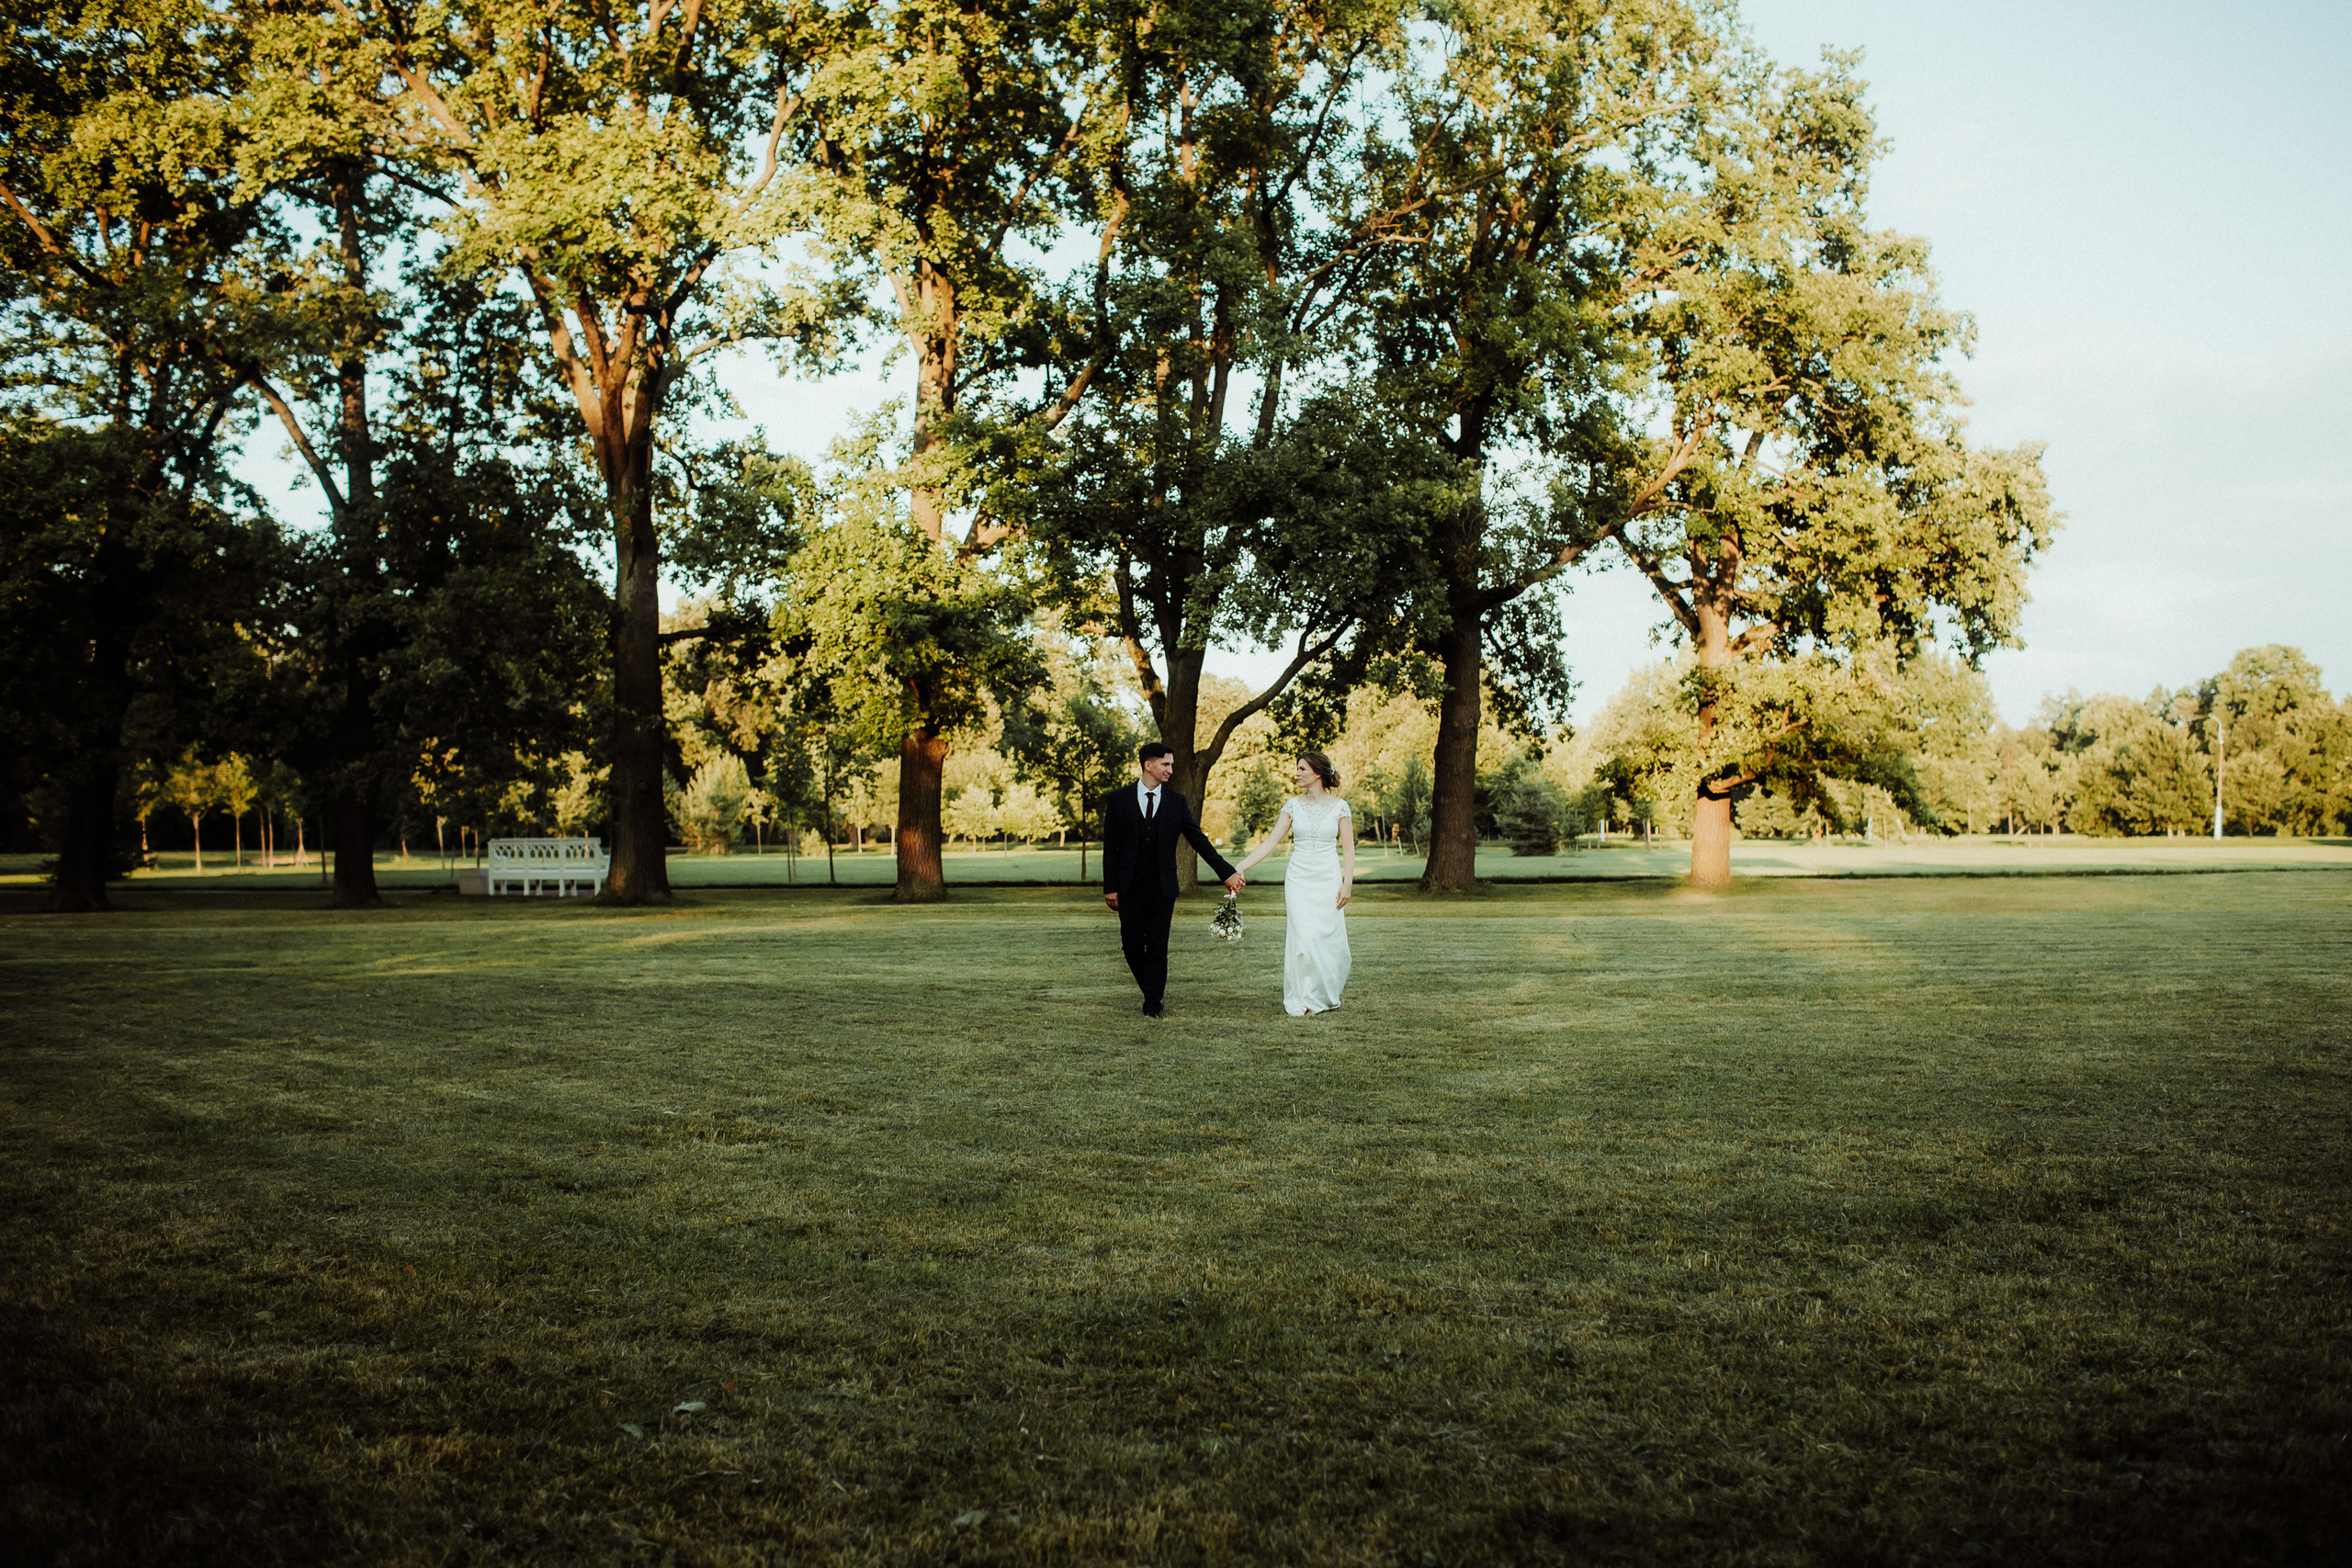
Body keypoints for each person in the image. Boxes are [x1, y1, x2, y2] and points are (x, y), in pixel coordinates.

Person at [1102, 742, 1245, 1019]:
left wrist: (1226, 872)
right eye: (1166, 764)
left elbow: (1198, 840)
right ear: (1149, 765)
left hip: (1162, 888)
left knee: (1157, 945)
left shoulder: (1176, 802)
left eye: (1171, 764)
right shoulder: (1119, 799)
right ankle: (1152, 991)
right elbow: (1111, 846)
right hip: (1129, 887)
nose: (1170, 769)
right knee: (1131, 945)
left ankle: (1152, 1004)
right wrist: (1111, 887)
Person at [1232, 751, 1354, 1015]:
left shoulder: (1340, 807)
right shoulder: (1291, 806)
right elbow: (1270, 842)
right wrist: (1240, 866)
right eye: (1297, 769)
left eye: (1301, 769)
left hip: (1328, 878)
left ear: (1318, 773)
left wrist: (1348, 883)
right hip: (1298, 879)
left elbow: (1348, 848)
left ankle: (1322, 995)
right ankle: (1303, 998)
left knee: (1325, 939)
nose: (1296, 773)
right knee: (1304, 938)